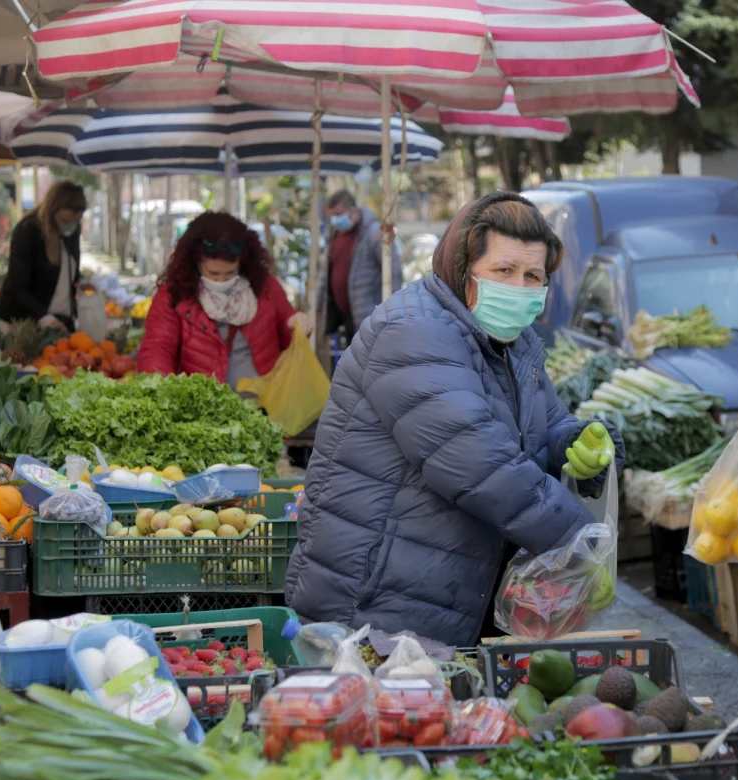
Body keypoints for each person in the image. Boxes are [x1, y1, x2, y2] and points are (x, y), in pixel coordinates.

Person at [285, 191, 625, 647]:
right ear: (464, 267)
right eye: (504, 271)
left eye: (533, 276)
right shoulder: (412, 329)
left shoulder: (512, 341)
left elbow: (545, 423)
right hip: (377, 601)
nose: (519, 288)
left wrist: (577, 441)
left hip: (443, 588)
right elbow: (479, 461)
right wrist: (580, 545)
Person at [136, 211, 310, 390]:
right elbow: (157, 348)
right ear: (196, 263)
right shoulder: (173, 294)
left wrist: (296, 324)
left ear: (242, 262)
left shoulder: (265, 287)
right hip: (201, 403)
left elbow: (287, 338)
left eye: (230, 272)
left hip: (266, 399)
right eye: (213, 273)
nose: (221, 280)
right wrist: (164, 389)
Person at [0, 181, 87, 332]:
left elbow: (66, 269)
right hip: (23, 321)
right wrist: (46, 319)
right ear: (53, 209)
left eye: (75, 221)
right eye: (65, 221)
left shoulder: (72, 231)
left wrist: (80, 282)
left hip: (60, 318)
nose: (70, 226)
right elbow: (16, 285)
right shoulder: (28, 231)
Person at [319, 189, 400, 343]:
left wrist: (391, 308)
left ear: (352, 211)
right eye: (333, 215)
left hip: (368, 315)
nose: (336, 219)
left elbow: (393, 269)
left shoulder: (373, 232)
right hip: (343, 315)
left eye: (339, 214)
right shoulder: (335, 234)